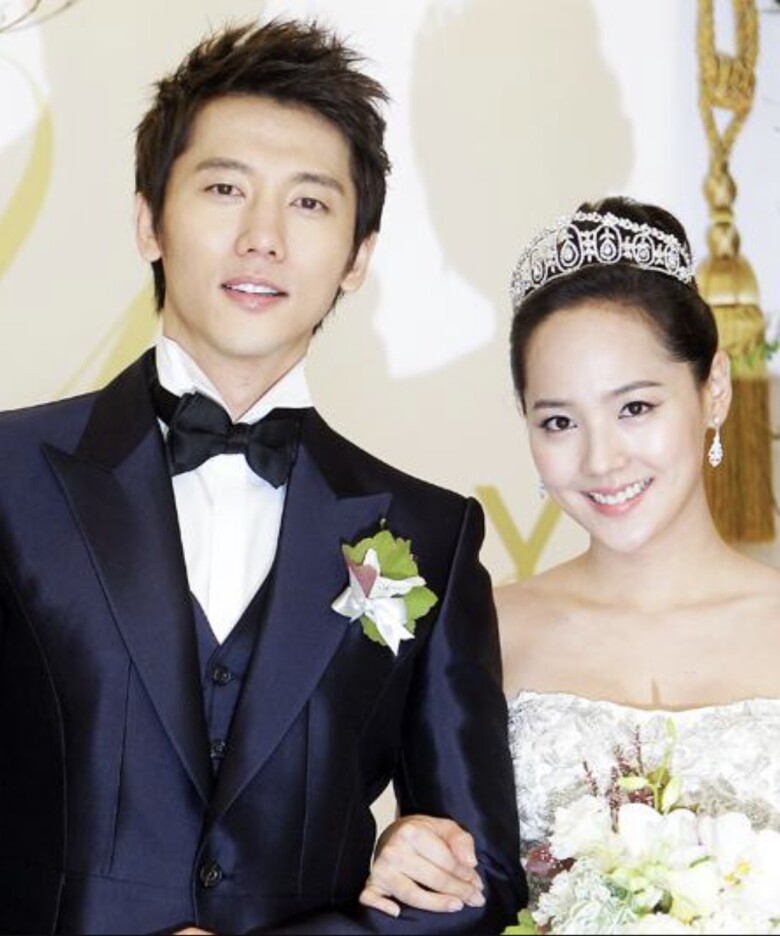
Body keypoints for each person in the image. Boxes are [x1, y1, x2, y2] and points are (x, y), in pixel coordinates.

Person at [0, 17, 525, 935]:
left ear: (358, 257)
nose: (263, 237)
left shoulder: (431, 535)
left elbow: (479, 877)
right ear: (148, 221)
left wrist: (415, 863)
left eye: (310, 203)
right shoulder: (10, 478)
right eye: (224, 189)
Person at [359, 195, 780, 919]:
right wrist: (406, 850)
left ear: (712, 390)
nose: (601, 459)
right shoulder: (479, 634)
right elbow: (450, 881)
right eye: (559, 421)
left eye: (635, 408)